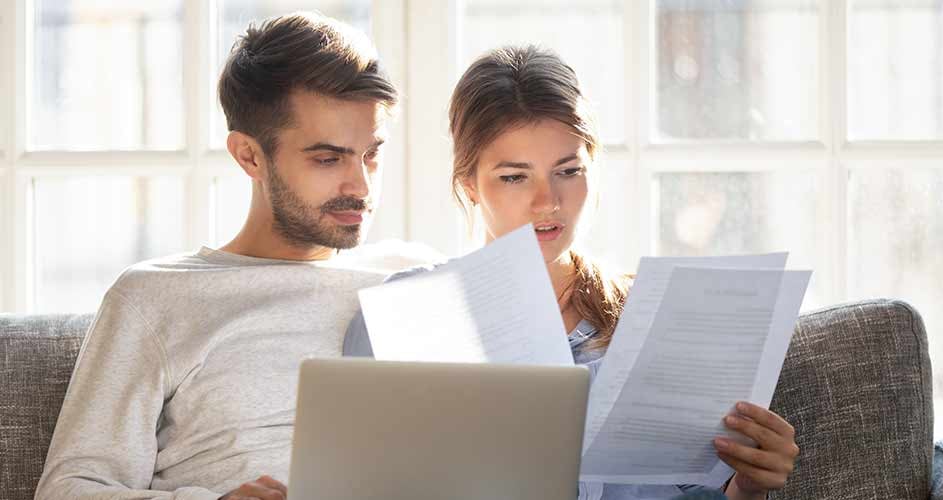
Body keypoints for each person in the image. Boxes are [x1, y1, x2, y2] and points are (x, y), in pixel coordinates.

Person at [344, 45, 798, 500]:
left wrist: (748, 487)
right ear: (469, 184)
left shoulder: (658, 316)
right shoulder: (403, 317)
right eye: (514, 177)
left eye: (568, 170)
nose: (548, 202)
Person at [35, 12, 399, 500]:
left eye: (371, 153)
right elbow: (68, 489)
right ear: (249, 155)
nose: (361, 186)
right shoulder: (155, 296)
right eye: (328, 158)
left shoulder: (410, 283)